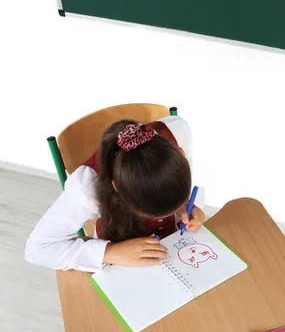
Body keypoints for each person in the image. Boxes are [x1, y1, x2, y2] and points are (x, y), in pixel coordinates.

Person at [25, 115, 204, 272]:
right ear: (116, 188)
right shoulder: (85, 188)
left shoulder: (179, 133)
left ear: (181, 155)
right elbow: (37, 249)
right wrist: (111, 253)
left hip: (174, 246)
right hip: (118, 246)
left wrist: (185, 204)